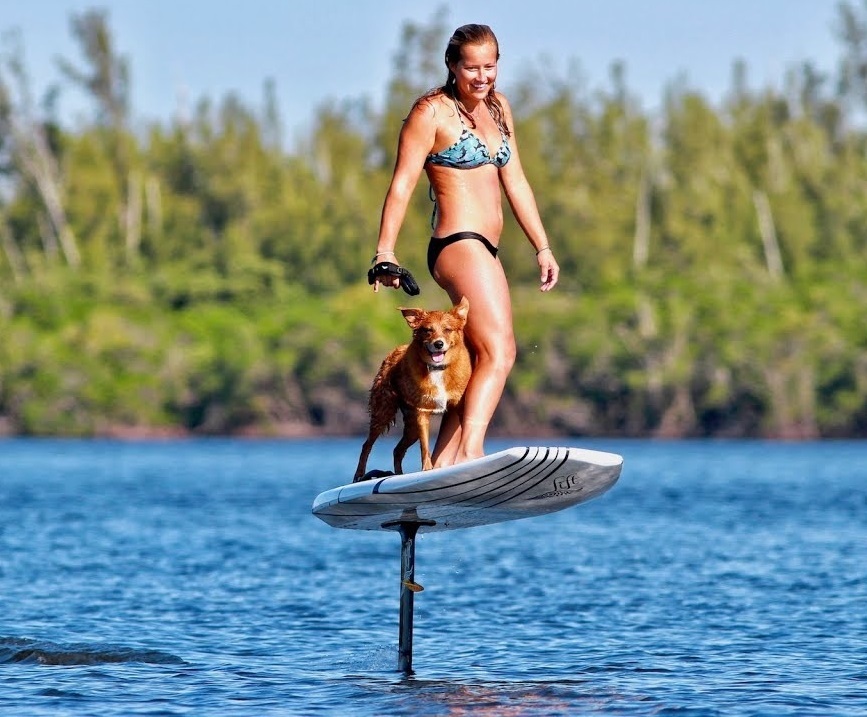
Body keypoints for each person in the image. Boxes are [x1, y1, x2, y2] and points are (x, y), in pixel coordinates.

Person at [370, 23, 559, 467]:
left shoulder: (498, 108)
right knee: (502, 350)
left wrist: (543, 246)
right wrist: (385, 252)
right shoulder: (431, 113)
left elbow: (516, 181)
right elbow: (401, 185)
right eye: (470, 67)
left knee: (476, 358)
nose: (481, 76)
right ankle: (472, 450)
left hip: (487, 247)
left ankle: (442, 465)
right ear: (452, 66)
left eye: (489, 66)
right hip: (458, 242)